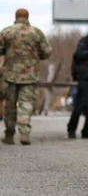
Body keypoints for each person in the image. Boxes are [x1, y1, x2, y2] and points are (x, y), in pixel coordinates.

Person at [0, 8, 52, 145]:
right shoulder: (36, 32)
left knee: (10, 105)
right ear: (27, 17)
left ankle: (9, 134)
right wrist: (35, 56)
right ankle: (24, 134)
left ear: (16, 16)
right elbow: (47, 52)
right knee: (27, 104)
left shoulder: (7, 31)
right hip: (30, 74)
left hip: (9, 74)